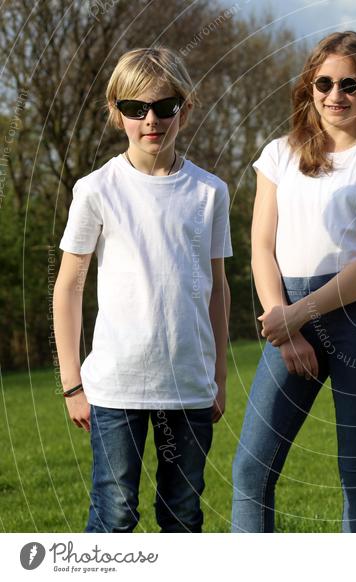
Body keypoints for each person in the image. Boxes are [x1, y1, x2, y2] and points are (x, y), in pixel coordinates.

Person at [231, 31, 356, 533]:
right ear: (309, 87)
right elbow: (261, 248)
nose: (336, 94)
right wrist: (285, 325)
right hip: (286, 316)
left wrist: (298, 314)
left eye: (350, 84)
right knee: (251, 467)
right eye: (325, 82)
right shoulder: (277, 154)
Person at [53, 47, 232, 532]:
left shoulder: (211, 191)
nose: (150, 119)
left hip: (191, 385)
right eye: (136, 108)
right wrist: (72, 382)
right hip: (115, 386)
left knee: (183, 515)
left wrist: (218, 375)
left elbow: (218, 288)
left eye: (164, 105)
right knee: (114, 515)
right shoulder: (96, 189)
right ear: (118, 114)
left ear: (185, 108)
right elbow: (69, 286)